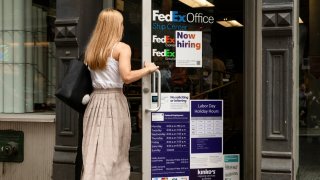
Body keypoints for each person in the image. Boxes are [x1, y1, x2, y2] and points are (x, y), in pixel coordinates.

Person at [81, 8, 159, 180]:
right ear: (116, 26)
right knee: (114, 150)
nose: (123, 27)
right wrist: (148, 69)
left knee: (94, 149)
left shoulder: (91, 49)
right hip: (114, 101)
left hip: (95, 102)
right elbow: (127, 77)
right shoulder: (122, 48)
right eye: (122, 23)